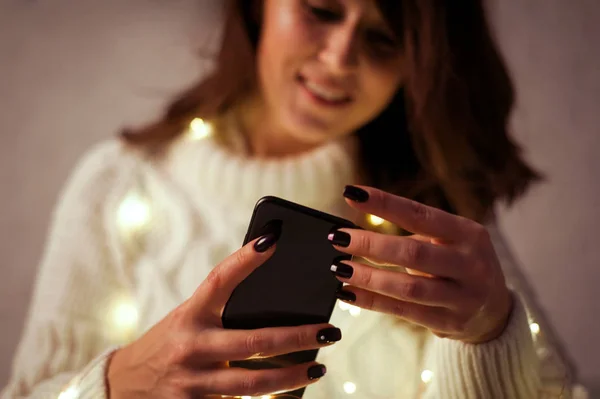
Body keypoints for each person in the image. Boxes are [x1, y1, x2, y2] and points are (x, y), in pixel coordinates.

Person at [3, 0, 555, 397]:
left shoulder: (436, 218)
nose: (340, 59)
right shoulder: (119, 184)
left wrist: (488, 338)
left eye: (383, 39)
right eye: (321, 10)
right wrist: (122, 383)